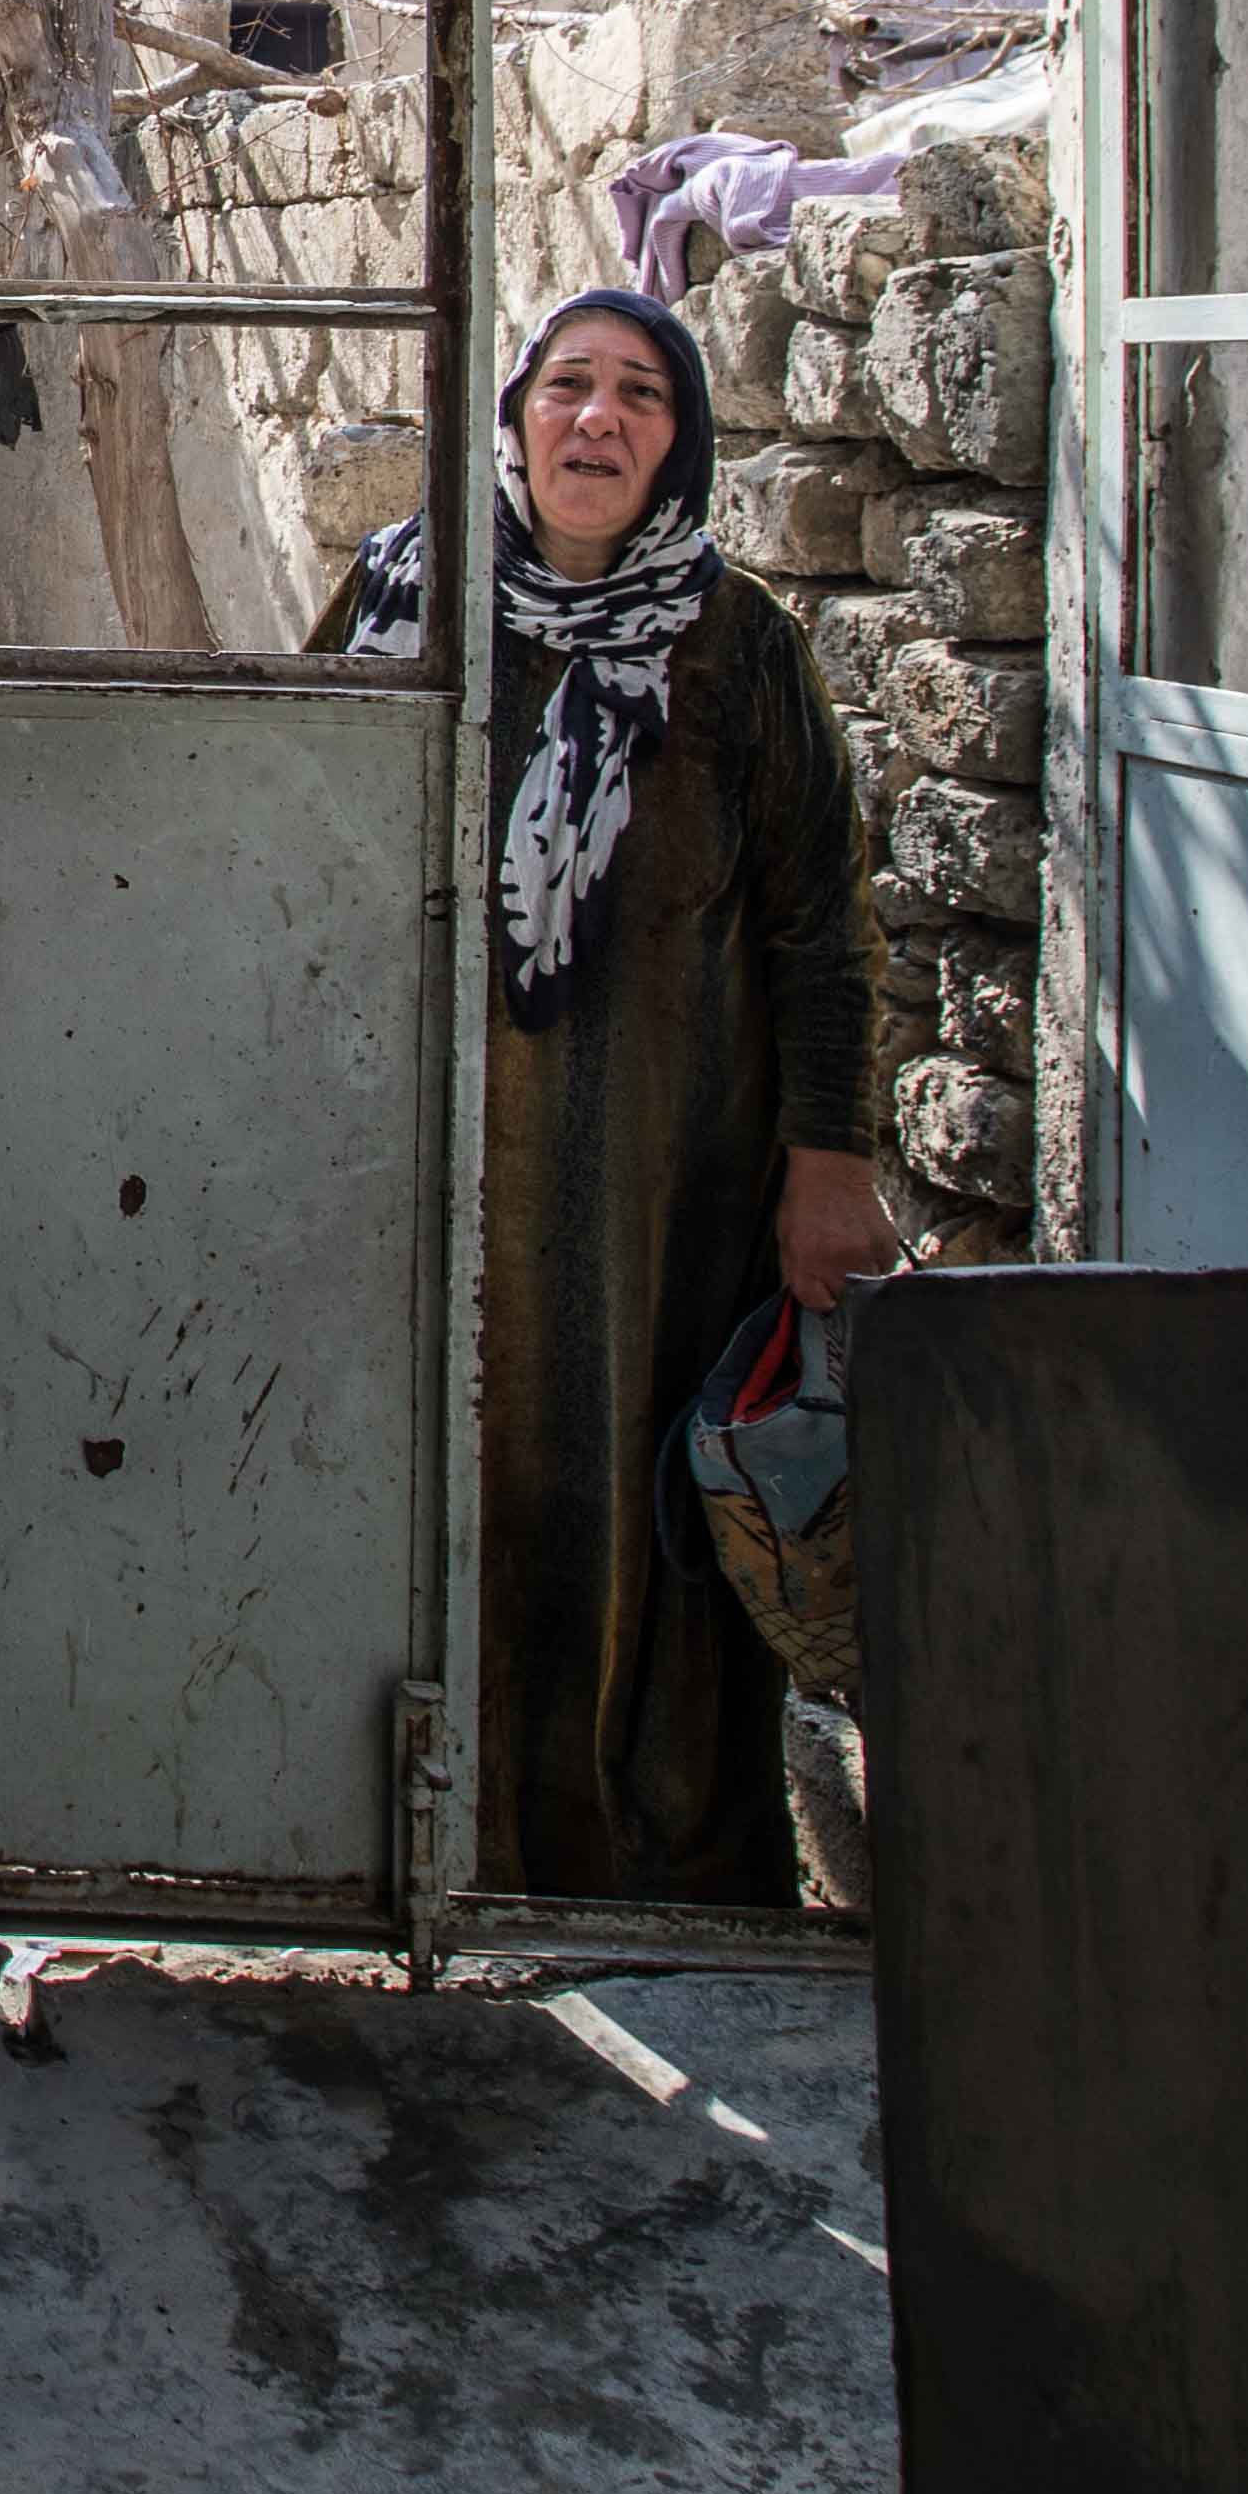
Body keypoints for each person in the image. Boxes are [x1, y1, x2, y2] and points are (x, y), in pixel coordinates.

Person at [311, 285, 883, 1903]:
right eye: (569, 385)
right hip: (431, 1157)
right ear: (514, 418)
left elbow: (821, 921)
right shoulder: (403, 600)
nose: (598, 420)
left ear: (677, 445)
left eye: (640, 395)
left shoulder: (738, 645)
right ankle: (428, 1845)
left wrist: (829, 1162)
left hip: (666, 1183)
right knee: (435, 1477)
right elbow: (283, 817)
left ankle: (642, 1866)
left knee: (638, 1514)